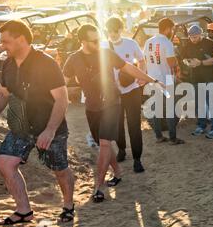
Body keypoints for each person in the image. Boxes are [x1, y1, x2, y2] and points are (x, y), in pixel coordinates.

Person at [0, 20, 75, 225]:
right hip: (21, 127)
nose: (2, 45)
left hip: (50, 127)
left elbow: (62, 99)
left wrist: (50, 130)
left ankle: (68, 205)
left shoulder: (46, 64)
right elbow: (2, 93)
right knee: (4, 162)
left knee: (59, 169)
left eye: (6, 41)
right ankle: (24, 211)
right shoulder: (7, 63)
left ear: (21, 39)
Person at [63, 24, 163, 203]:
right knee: (104, 144)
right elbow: (63, 81)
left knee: (104, 144)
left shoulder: (106, 54)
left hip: (111, 104)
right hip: (92, 107)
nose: (98, 43)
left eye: (99, 39)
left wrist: (150, 79)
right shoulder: (73, 59)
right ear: (83, 41)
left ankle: (98, 188)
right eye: (94, 41)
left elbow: (128, 68)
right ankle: (117, 172)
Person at [102, 16, 146, 173]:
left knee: (134, 125)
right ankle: (121, 149)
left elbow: (141, 60)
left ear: (121, 29)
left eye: (116, 30)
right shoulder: (103, 46)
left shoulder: (130, 43)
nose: (113, 34)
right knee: (118, 124)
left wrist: (142, 76)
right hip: (113, 92)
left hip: (132, 89)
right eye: (110, 31)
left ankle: (137, 159)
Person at [144, 18, 185, 145]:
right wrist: (178, 64)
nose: (172, 31)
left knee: (156, 108)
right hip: (166, 78)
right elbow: (171, 62)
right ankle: (172, 138)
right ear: (167, 28)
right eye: (171, 29)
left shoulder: (148, 41)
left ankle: (159, 136)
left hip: (152, 77)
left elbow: (145, 59)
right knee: (170, 108)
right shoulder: (166, 42)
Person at [180, 25, 213, 139]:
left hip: (209, 77)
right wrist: (188, 62)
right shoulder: (187, 44)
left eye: (195, 37)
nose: (193, 39)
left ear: (201, 34)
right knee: (199, 103)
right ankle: (201, 125)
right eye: (191, 37)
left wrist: (200, 63)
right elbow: (183, 58)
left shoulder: (211, 43)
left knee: (211, 102)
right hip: (196, 78)